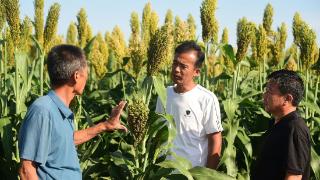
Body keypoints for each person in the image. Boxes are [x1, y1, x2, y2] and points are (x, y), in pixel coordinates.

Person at [18, 45, 127, 179]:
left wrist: (105, 126)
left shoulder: (59, 110)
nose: (87, 79)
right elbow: (26, 170)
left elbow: (65, 141)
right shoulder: (43, 110)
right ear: (76, 76)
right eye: (86, 74)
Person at [155, 41, 223, 169]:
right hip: (163, 173)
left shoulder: (206, 99)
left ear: (196, 72)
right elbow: (157, 132)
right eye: (175, 63)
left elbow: (215, 140)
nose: (176, 69)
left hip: (191, 174)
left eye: (183, 66)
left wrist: (206, 176)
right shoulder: (163, 94)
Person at [252, 70, 311, 180]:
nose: (264, 95)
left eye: (269, 91)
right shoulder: (278, 123)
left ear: (287, 99)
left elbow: (294, 176)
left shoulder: (294, 128)